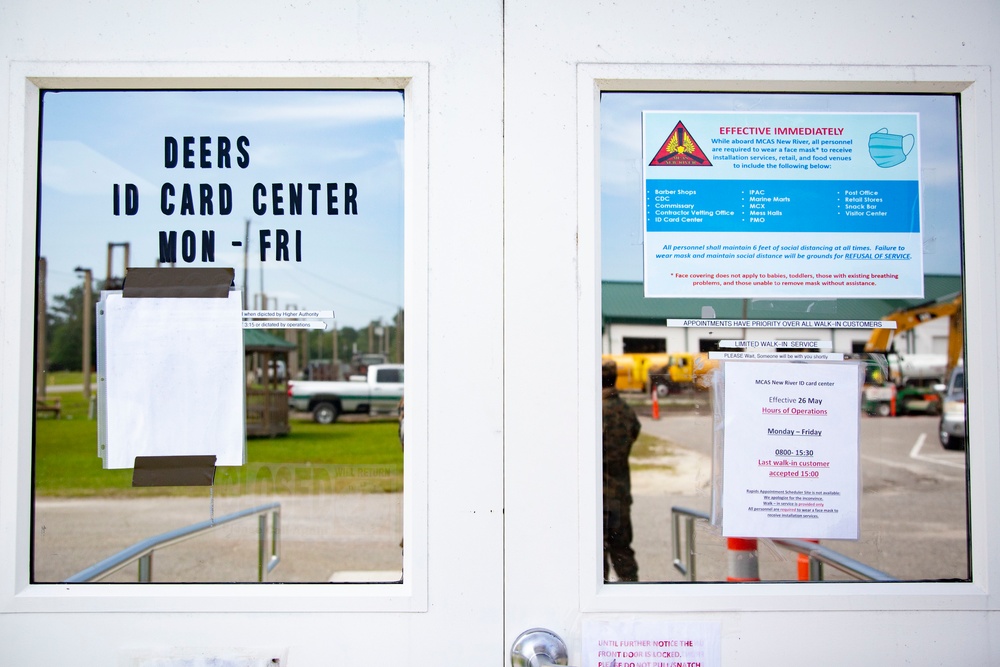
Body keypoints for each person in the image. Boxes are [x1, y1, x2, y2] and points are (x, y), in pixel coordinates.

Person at [602, 358, 641, 581]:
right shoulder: (626, 412)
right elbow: (633, 434)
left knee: (595, 562)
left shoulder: (593, 413)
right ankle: (633, 601)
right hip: (619, 496)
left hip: (597, 498)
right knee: (623, 553)